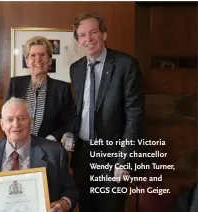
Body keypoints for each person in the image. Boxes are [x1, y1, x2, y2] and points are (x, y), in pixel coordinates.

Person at [63, 12, 145, 212]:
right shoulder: (76, 68)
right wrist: (69, 133)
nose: (88, 39)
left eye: (93, 32)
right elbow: (80, 111)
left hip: (113, 156)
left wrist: (124, 160)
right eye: (82, 35)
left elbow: (135, 116)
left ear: (104, 35)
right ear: (78, 41)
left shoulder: (126, 65)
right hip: (83, 156)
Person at [0, 97, 79, 212]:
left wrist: (64, 204)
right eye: (10, 119)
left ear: (31, 121)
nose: (16, 124)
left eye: (21, 118)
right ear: (2, 124)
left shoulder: (54, 152)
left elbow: (71, 190)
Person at [5, 36, 75, 142]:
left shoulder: (62, 89)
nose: (38, 59)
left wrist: (52, 138)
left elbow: (68, 122)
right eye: (33, 55)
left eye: (42, 54)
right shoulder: (15, 84)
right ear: (27, 61)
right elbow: (5, 115)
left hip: (49, 147)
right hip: (18, 145)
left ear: (50, 60)